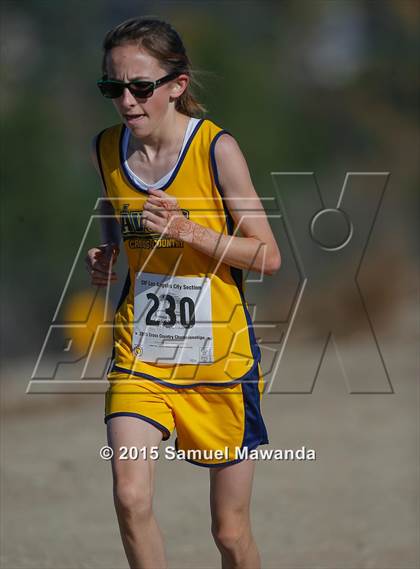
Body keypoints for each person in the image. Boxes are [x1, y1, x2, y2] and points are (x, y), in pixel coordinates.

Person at [85, 16, 281, 569]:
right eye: (112, 87)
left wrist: (190, 231)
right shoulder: (105, 148)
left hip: (220, 363)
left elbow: (267, 256)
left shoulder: (216, 150)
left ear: (177, 84)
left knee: (229, 532)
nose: (126, 101)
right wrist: (109, 252)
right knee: (130, 497)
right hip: (141, 356)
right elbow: (112, 209)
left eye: (140, 87)